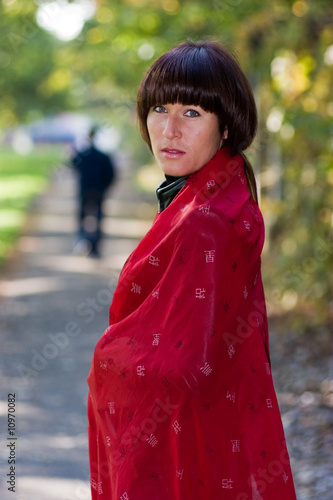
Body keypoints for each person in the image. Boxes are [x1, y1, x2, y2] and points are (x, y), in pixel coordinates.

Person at [87, 40, 297, 499]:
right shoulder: (219, 190)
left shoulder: (203, 221)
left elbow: (179, 362)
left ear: (226, 128)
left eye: (193, 113)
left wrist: (106, 359)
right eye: (160, 108)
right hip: (221, 425)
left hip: (184, 445)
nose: (170, 129)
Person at [71, 126, 116, 257]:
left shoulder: (82, 155)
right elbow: (111, 174)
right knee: (97, 219)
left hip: (84, 189)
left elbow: (73, 164)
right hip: (99, 190)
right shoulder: (103, 156)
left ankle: (82, 242)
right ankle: (95, 248)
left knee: (83, 217)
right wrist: (105, 187)